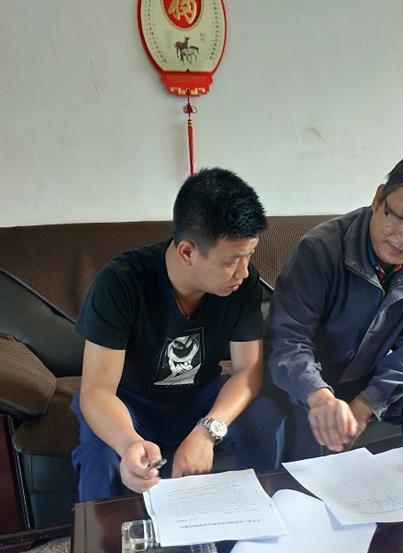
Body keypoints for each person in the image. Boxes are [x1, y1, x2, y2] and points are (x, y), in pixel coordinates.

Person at [72, 167, 284, 501]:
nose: (243, 272)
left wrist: (208, 430)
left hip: (199, 398)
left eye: (249, 256)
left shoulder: (243, 284)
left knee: (266, 417)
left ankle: (258, 517)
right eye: (232, 261)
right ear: (187, 252)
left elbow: (248, 370)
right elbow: (97, 390)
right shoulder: (121, 281)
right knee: (101, 455)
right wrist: (129, 443)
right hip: (130, 404)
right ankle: (103, 534)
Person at [266, 148, 403, 458]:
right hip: (309, 378)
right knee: (318, 419)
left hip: (365, 376)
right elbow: (288, 339)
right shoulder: (320, 249)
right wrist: (320, 396)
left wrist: (366, 405)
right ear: (378, 198)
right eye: (400, 218)